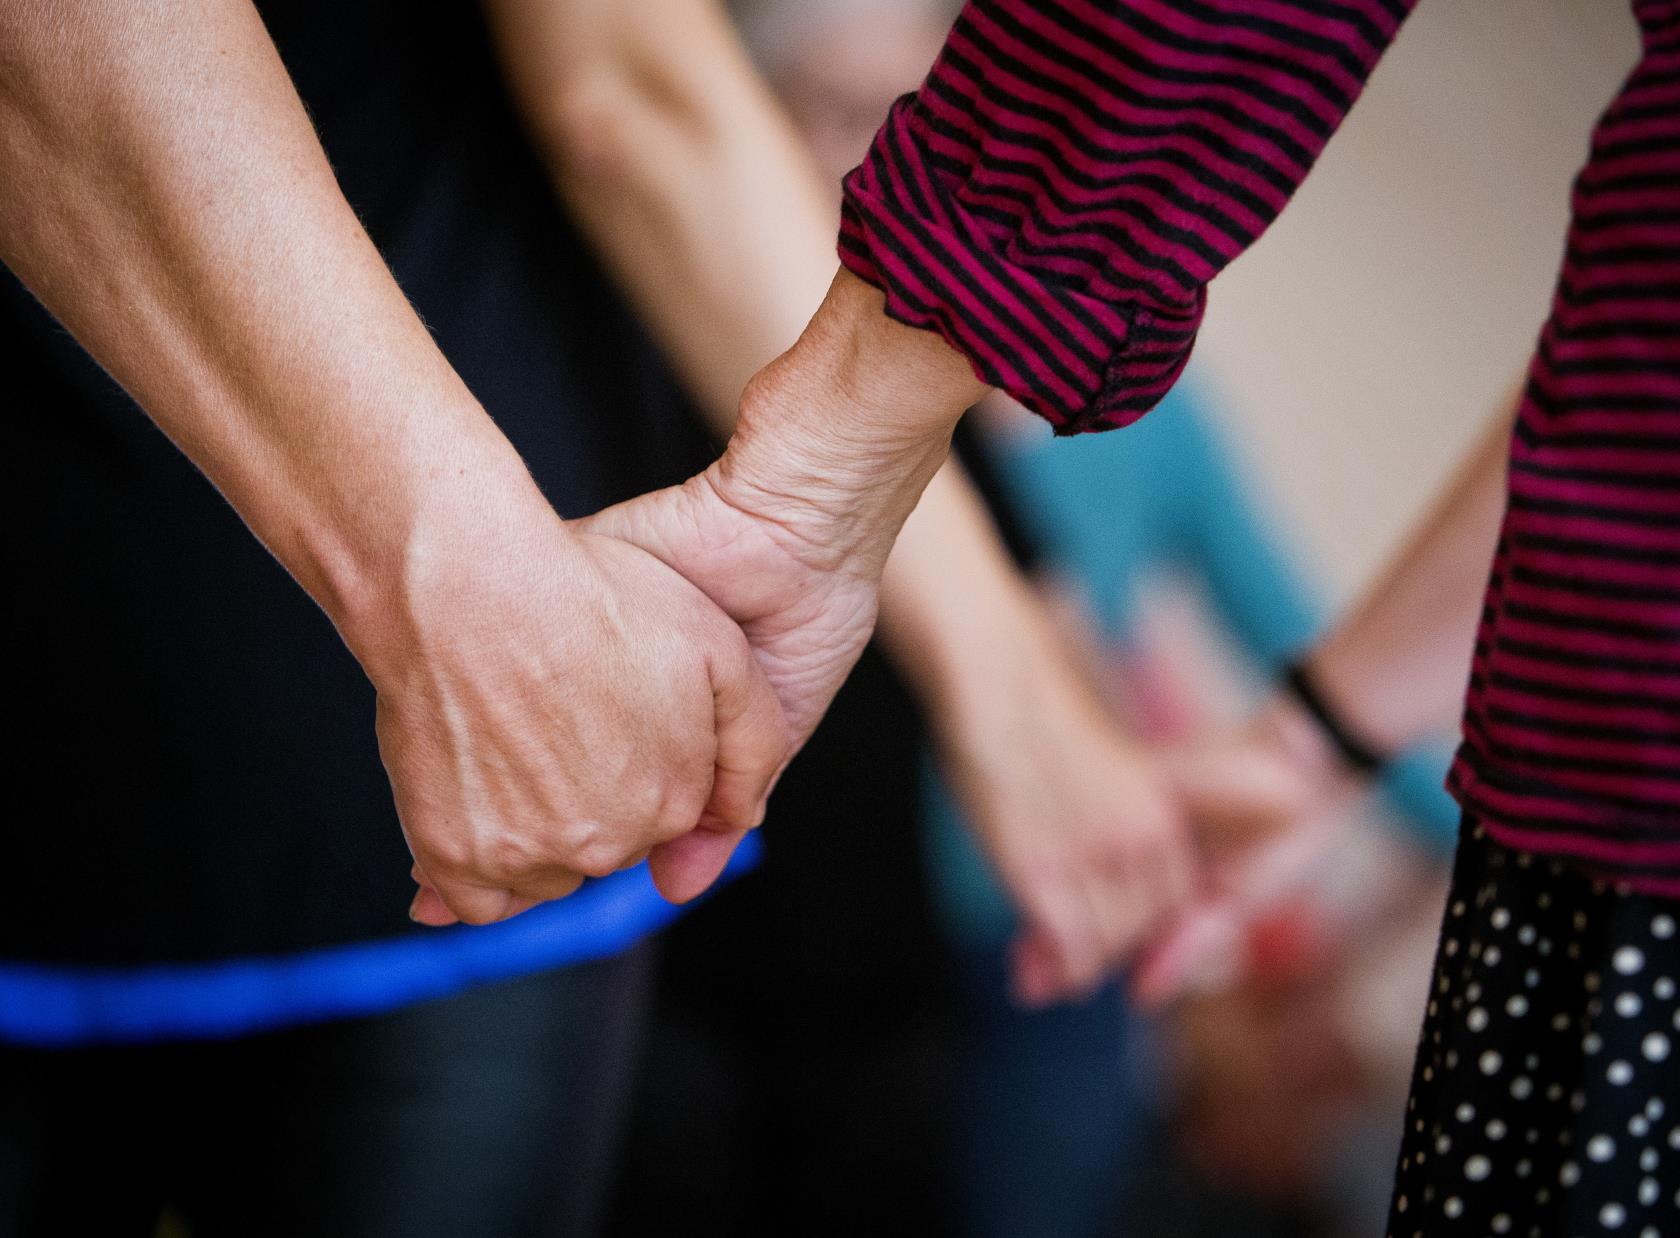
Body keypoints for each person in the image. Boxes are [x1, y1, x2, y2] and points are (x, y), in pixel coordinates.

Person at [1, 1, 1191, 1233]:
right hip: (493, 719)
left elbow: (634, 97)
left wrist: (1002, 669)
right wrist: (455, 577)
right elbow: (631, 93)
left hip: (504, 771)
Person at [571, 1, 1677, 1232]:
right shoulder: (658, 375)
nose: (858, 162)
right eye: (831, 114)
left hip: (971, 967)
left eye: (897, 119)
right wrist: (1310, 743)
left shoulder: (1093, 438)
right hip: (714, 964)